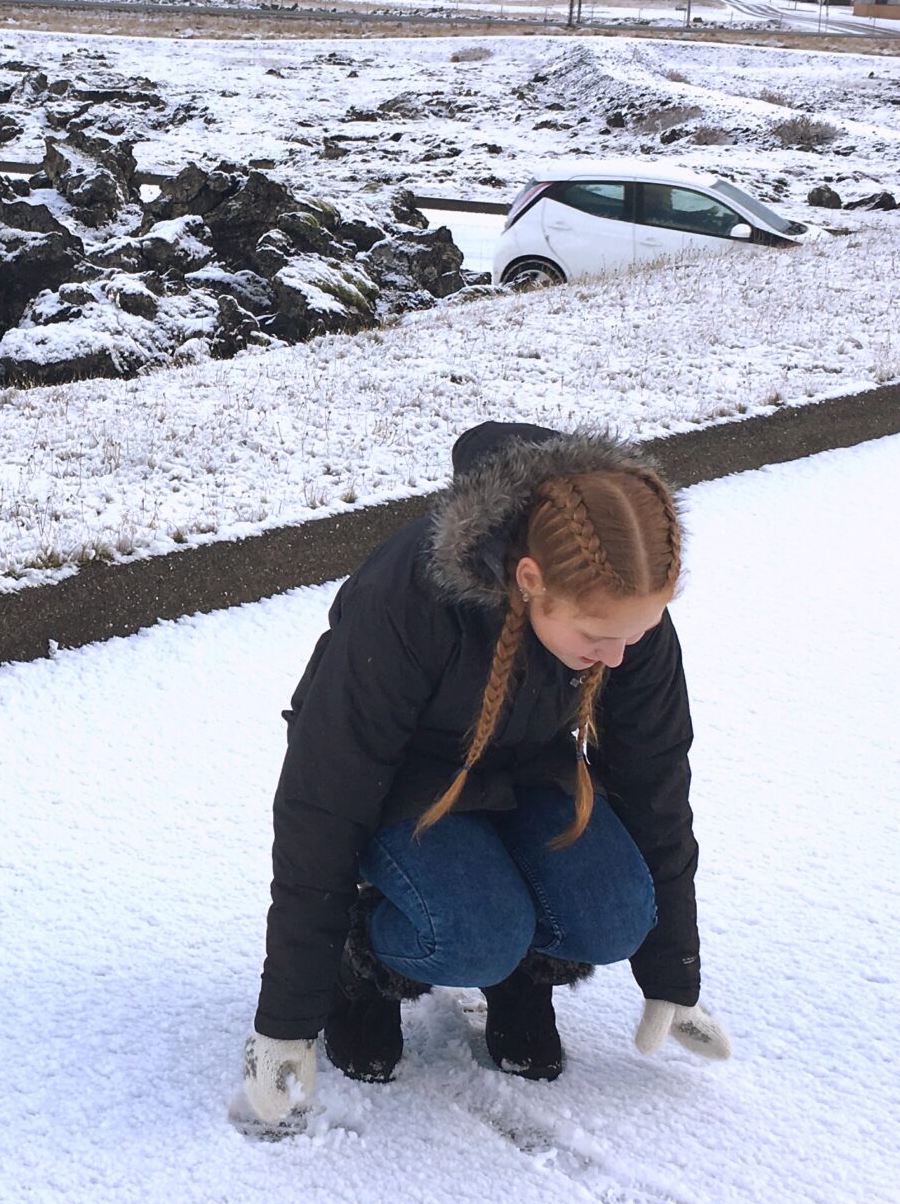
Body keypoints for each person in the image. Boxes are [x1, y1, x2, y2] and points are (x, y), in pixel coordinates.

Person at [240, 420, 730, 1128]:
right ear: (529, 582)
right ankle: (359, 971)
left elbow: (655, 786)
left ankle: (521, 981)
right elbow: (324, 798)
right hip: (401, 786)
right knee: (474, 931)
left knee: (618, 911)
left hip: (525, 770)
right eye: (598, 639)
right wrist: (287, 1019)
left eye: (639, 634)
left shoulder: (620, 614)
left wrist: (672, 980)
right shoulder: (409, 602)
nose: (619, 657)